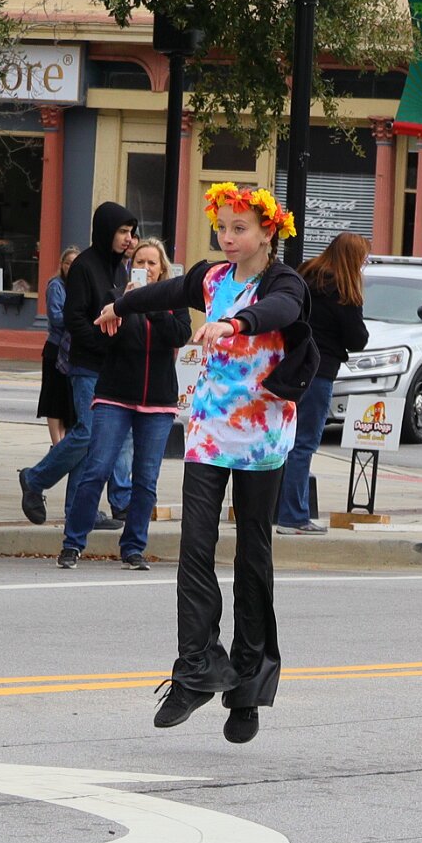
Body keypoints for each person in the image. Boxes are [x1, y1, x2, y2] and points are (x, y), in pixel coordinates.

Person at [107, 183, 315, 745]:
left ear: (268, 233)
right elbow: (166, 291)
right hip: (206, 433)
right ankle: (197, 669)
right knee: (195, 548)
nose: (227, 237)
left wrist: (235, 324)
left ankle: (246, 687)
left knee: (253, 556)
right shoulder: (211, 278)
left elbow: (280, 312)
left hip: (262, 439)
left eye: (239, 228)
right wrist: (119, 305)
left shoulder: (283, 282)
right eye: (221, 227)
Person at [63, 237, 192, 569]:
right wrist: (127, 304)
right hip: (115, 395)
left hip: (158, 401)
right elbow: (104, 340)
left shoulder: (174, 301)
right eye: (140, 262)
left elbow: (180, 336)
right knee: (97, 469)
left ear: (162, 270)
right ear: (130, 267)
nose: (145, 268)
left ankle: (133, 547)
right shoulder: (116, 298)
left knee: (145, 480)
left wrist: (150, 306)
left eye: (152, 263)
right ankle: (73, 543)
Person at [19, 202, 136, 522]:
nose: (128, 238)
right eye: (122, 231)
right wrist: (100, 343)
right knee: (86, 432)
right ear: (106, 231)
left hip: (110, 367)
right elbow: (74, 319)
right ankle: (35, 478)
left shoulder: (120, 269)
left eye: (131, 232)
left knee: (93, 439)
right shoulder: (85, 266)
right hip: (86, 364)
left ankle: (79, 510)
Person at [277, 233, 368, 536]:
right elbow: (358, 339)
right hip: (319, 372)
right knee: (303, 444)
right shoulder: (344, 292)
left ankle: (272, 511)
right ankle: (293, 516)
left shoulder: (304, 277)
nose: (364, 265)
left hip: (289, 366)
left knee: (282, 441)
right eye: (363, 259)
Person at [37, 246, 80, 456]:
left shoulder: (79, 286)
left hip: (72, 349)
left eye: (74, 263)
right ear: (61, 265)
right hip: (56, 349)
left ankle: (62, 445)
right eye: (67, 263)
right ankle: (57, 445)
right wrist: (78, 321)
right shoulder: (56, 285)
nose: (71, 267)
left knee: (66, 400)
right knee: (54, 399)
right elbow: (56, 317)